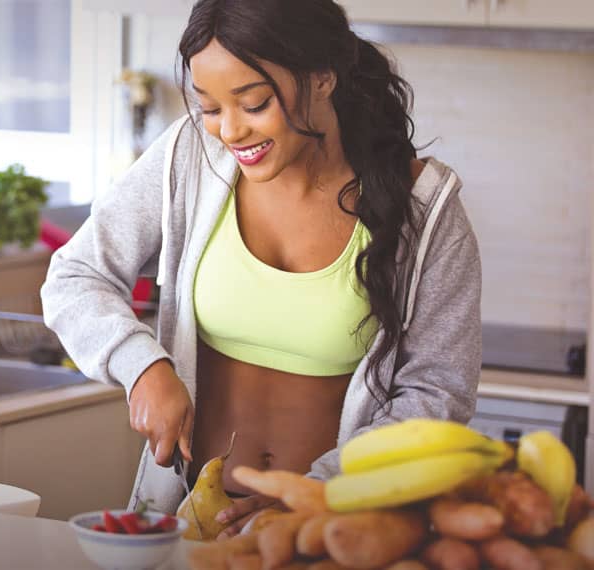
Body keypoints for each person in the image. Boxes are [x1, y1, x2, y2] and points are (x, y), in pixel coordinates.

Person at [41, 0, 481, 539]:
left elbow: (439, 390)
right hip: (191, 521)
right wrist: (141, 367)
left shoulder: (424, 206)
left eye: (253, 103)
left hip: (332, 527)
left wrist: (317, 491)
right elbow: (74, 276)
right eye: (209, 106)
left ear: (322, 79)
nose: (229, 131)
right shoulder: (189, 155)